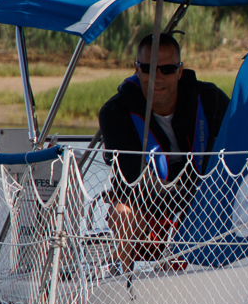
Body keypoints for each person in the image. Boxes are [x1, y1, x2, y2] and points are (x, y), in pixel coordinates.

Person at [99, 33, 231, 269]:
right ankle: (122, 277)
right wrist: (190, 201)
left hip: (206, 197)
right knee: (123, 212)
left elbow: (241, 145)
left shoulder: (211, 99)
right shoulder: (114, 113)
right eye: (148, 69)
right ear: (136, 69)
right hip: (145, 200)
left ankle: (216, 270)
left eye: (167, 69)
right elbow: (134, 180)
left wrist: (203, 198)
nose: (157, 77)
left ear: (180, 71)